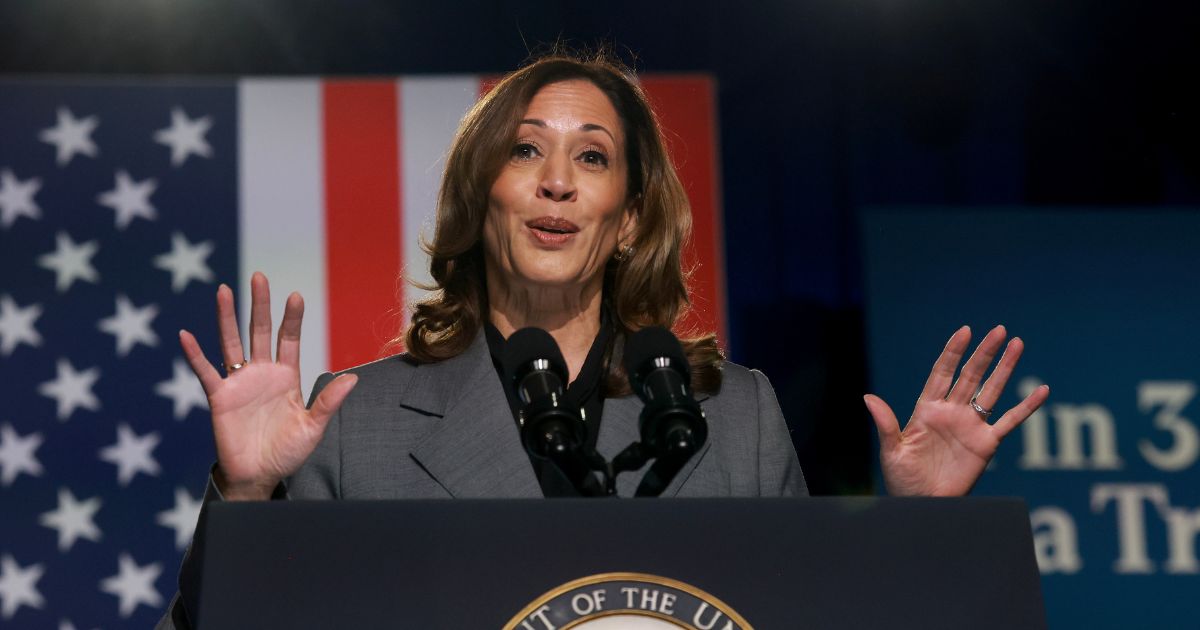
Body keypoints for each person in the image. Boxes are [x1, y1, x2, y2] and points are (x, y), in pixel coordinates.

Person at [157, 53, 1050, 627]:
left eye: (590, 157)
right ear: (480, 199)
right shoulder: (359, 418)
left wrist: (923, 532)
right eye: (522, 153)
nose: (555, 184)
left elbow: (800, 613)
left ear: (627, 220)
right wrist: (243, 495)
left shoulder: (730, 413)